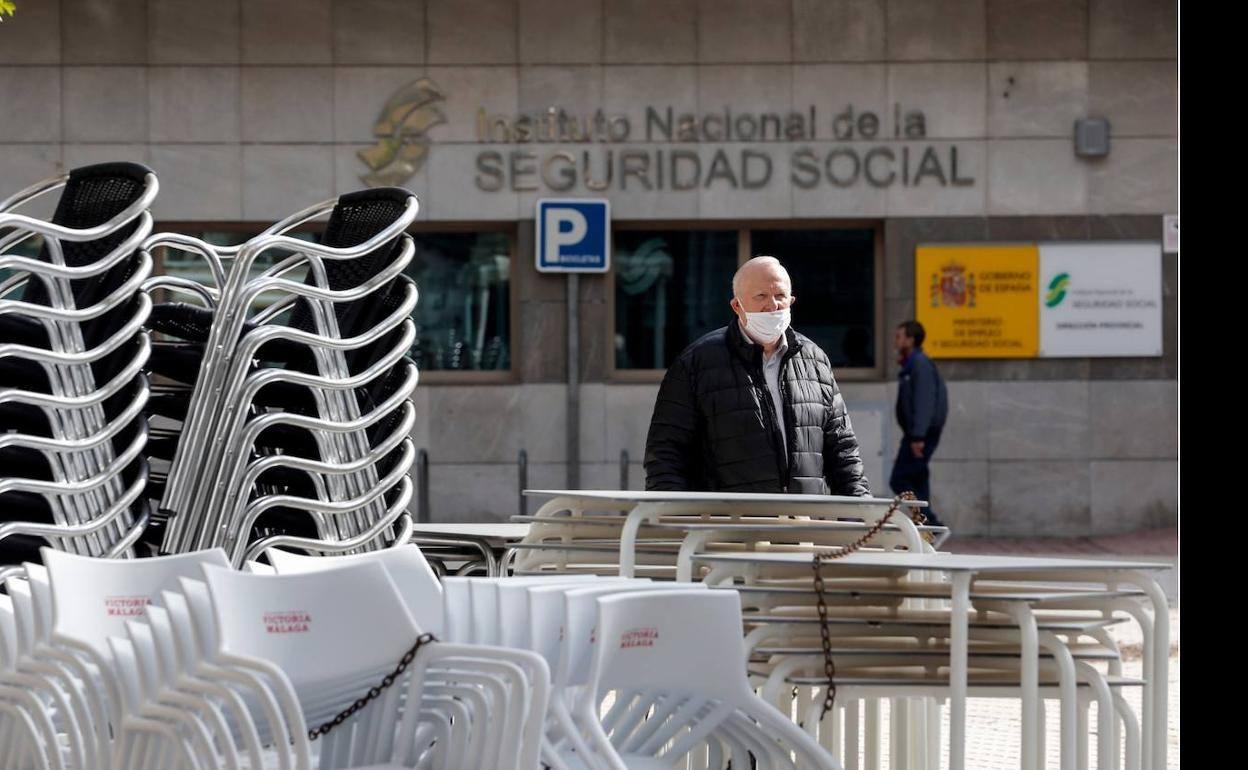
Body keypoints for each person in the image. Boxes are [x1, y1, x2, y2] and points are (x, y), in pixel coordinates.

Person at [644, 256, 870, 496]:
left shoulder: (814, 361)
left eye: (780, 296)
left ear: (791, 300)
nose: (772, 306)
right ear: (737, 306)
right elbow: (666, 454)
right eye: (761, 296)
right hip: (729, 517)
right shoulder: (697, 363)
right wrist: (677, 513)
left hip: (804, 516)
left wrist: (861, 506)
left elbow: (843, 450)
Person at [889, 320, 948, 524]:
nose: (896, 341)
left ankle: (929, 522)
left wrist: (918, 437)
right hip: (916, 433)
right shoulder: (911, 364)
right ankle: (927, 527)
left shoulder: (919, 364)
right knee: (918, 478)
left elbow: (924, 402)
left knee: (900, 479)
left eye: (899, 336)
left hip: (919, 434)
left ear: (911, 340)